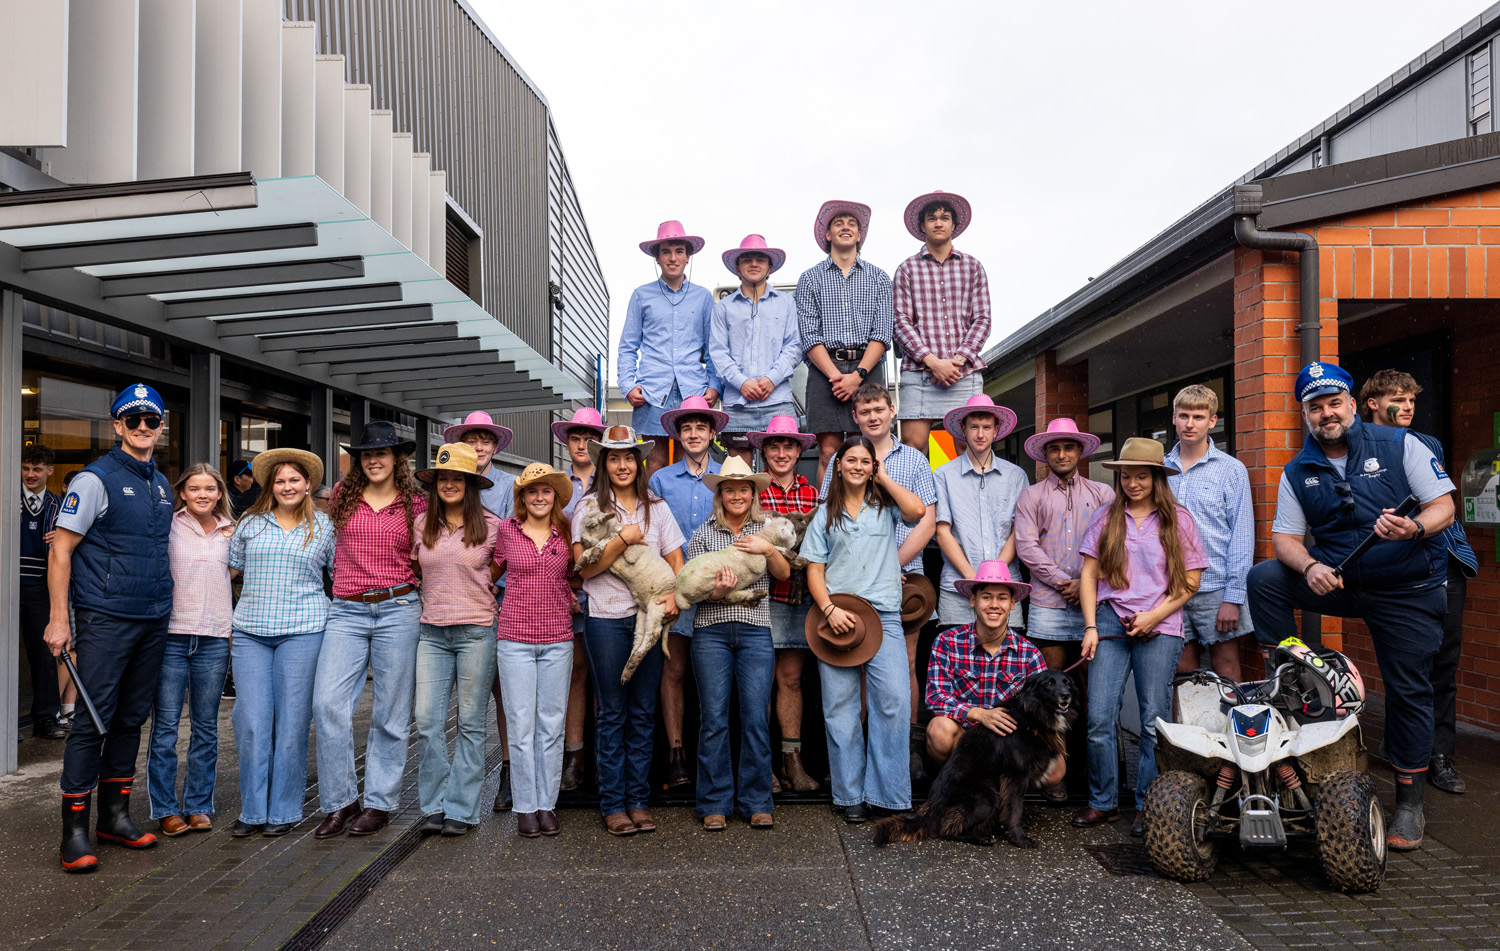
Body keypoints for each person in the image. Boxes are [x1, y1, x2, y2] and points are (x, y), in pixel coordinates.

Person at [1248, 363, 1455, 852]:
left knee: (1408, 688)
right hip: (1343, 580)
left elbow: (1443, 505)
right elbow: (1284, 538)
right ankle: (1292, 673)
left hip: (1407, 586)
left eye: (1333, 403)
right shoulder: (1298, 469)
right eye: (1315, 407)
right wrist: (1308, 568)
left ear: (1350, 405)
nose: (1326, 413)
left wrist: (1415, 528)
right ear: (1305, 414)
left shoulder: (1400, 444)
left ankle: (1409, 799)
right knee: (1266, 579)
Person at [47, 384, 175, 872]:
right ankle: (74, 833)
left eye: (152, 420)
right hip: (105, 618)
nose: (144, 427)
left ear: (160, 428)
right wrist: (60, 619)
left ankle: (114, 817)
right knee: (91, 722)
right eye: (133, 419)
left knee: (129, 718)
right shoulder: (94, 478)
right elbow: (61, 550)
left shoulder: (160, 483)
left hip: (152, 618)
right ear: (118, 426)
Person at [1076, 437, 1206, 838]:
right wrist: (1091, 627)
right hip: (1111, 621)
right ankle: (1103, 801)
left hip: (1161, 623)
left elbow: (1191, 582)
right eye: (1126, 476)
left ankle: (1147, 802)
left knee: (1152, 721)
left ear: (1156, 478)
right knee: (1099, 717)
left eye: (1141, 476)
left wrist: (1154, 616)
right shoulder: (1106, 517)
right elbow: (1087, 575)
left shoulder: (1178, 520)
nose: (1132, 483)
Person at [1361, 369, 1477, 795]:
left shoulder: (1428, 445)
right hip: (1395, 567)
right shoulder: (1357, 448)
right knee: (1406, 665)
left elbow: (1440, 505)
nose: (1407, 406)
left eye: (1411, 399)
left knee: (1444, 664)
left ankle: (1439, 756)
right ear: (1372, 403)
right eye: (1397, 398)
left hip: (1444, 559)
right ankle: (1401, 746)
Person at [802, 436, 928, 823]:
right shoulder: (824, 514)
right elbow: (814, 570)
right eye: (850, 460)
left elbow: (918, 510)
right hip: (837, 617)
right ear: (838, 465)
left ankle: (888, 795)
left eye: (865, 461)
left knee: (892, 702)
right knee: (840, 708)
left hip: (885, 614)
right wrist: (828, 609)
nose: (857, 466)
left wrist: (885, 479)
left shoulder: (885, 506)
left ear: (873, 466)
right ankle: (849, 794)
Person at [313, 421, 427, 840]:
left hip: (398, 608)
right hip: (346, 611)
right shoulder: (343, 495)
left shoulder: (416, 501)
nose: (374, 459)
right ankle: (341, 801)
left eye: (382, 452)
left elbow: (424, 556)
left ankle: (379, 801)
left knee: (391, 713)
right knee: (327, 705)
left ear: (397, 457)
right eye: (366, 453)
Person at [818, 382, 938, 778]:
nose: (872, 416)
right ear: (856, 416)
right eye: (864, 410)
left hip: (903, 581)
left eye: (879, 409)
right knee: (851, 673)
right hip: (851, 584)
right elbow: (826, 524)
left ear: (891, 412)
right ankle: (858, 765)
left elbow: (924, 517)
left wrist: (893, 564)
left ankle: (904, 752)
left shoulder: (914, 460)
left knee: (900, 668)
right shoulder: (843, 461)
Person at [572, 426, 685, 837]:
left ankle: (638, 800)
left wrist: (676, 599)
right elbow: (585, 568)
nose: (622, 465)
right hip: (605, 621)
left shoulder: (656, 507)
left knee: (643, 711)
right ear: (603, 464)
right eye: (614, 458)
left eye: (629, 458)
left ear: (639, 463)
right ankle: (613, 804)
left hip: (650, 618)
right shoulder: (588, 508)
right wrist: (622, 538)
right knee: (613, 712)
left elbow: (676, 560)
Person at [227, 450, 335, 837]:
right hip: (251, 632)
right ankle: (253, 811)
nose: (287, 487)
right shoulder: (249, 524)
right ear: (269, 486)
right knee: (252, 723)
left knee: (291, 726)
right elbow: (227, 571)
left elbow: (342, 576)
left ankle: (285, 810)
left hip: (304, 631)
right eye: (279, 481)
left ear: (308, 485)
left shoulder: (324, 527)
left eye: (294, 480)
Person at [685, 457, 790, 829]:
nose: (736, 494)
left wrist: (767, 549)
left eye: (743, 488)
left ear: (753, 493)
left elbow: (783, 574)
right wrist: (716, 592)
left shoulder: (765, 530)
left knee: (755, 718)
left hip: (755, 630)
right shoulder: (703, 534)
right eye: (729, 488)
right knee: (713, 719)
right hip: (711, 630)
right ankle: (714, 803)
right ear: (720, 494)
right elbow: (693, 589)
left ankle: (756, 801)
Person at [410, 443, 501, 838]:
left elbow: (500, 571)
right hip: (431, 633)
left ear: (470, 484)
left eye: (457, 479)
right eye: (443, 478)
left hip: (477, 632)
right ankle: (433, 805)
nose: (449, 484)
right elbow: (418, 568)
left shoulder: (492, 525)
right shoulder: (421, 525)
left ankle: (461, 809)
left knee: (470, 723)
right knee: (428, 721)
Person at [147, 464, 234, 837]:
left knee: (206, 727)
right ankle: (166, 808)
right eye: (194, 488)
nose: (202, 494)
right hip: (171, 636)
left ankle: (198, 805)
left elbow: (234, 571)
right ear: (182, 493)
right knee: (165, 727)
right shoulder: (168, 524)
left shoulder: (232, 530)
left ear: (219, 493)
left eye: (209, 489)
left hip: (215, 637)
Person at [492, 463, 578, 838]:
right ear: (522, 498)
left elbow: (577, 574)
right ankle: (526, 807)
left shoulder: (567, 532)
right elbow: (489, 572)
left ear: (555, 498)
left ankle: (548, 804)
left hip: (558, 637)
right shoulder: (506, 531)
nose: (539, 497)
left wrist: (571, 593)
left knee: (552, 723)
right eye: (532, 492)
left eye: (546, 491)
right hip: (514, 639)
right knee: (521, 723)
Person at [443, 410, 518, 813]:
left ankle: (507, 771)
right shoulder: (447, 484)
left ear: (495, 446)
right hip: (453, 604)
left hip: (501, 598)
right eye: (471, 439)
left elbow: (509, 539)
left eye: (485, 440)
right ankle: (455, 782)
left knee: (502, 691)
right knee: (463, 697)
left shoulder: (508, 485)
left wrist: (486, 577)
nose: (479, 447)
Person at [649, 395, 726, 788]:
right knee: (674, 669)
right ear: (677, 436)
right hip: (673, 587)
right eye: (687, 429)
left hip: (718, 589)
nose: (694, 434)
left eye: (700, 428)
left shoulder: (726, 476)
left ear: (713, 433)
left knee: (711, 676)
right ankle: (676, 752)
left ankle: (713, 759)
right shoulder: (660, 479)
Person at [924, 561, 1052, 783]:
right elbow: (936, 698)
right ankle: (953, 786)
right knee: (939, 731)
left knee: (1056, 770)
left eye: (1002, 598)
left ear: (1013, 603)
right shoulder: (947, 642)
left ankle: (1003, 789)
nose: (994, 605)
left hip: (1009, 743)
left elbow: (1043, 709)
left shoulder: (1029, 654)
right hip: (963, 740)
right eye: (986, 597)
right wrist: (979, 714)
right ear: (973, 600)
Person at [795, 200, 893, 485]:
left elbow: (882, 333)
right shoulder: (810, 279)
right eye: (838, 223)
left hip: (868, 367)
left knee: (866, 450)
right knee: (828, 452)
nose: (846, 227)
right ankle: (828, 518)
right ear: (827, 235)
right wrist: (838, 377)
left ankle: (867, 514)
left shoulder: (879, 278)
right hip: (826, 370)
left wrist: (858, 376)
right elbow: (809, 335)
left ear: (860, 235)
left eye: (852, 223)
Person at [750, 415, 822, 793]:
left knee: (791, 680)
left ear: (799, 451)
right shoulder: (754, 493)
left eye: (788, 446)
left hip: (799, 597)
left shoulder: (814, 494)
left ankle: (792, 761)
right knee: (759, 683)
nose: (781, 453)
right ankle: (763, 767)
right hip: (762, 595)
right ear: (764, 452)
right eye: (774, 446)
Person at [1165, 385, 1255, 683]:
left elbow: (1242, 537)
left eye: (1199, 417)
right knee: (1182, 671)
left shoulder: (1231, 470)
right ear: (1174, 418)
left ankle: (1234, 727)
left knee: (1226, 667)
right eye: (1184, 416)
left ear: (1213, 421)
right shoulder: (1159, 469)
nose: (1191, 424)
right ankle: (1190, 730)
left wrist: (1233, 597)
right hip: (1170, 587)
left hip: (1216, 588)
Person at [892, 190, 992, 453]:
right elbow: (901, 321)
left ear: (953, 225)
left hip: (964, 372)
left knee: (969, 449)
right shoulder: (907, 269)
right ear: (922, 225)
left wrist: (957, 361)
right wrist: (933, 362)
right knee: (912, 448)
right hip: (920, 372)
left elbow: (982, 319)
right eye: (932, 218)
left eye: (945, 218)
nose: (938, 223)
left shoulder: (973, 267)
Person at [618, 220, 720, 473]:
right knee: (655, 461)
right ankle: (656, 514)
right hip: (652, 390)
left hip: (693, 389)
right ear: (657, 258)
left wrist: (715, 385)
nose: (672, 258)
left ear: (688, 256)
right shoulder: (642, 295)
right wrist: (627, 385)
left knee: (693, 458)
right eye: (666, 251)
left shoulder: (703, 296)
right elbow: (628, 346)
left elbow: (714, 347)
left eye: (678, 251)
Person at [1013, 418, 1113, 670]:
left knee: (1091, 686)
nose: (1061, 455)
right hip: (1046, 604)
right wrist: (1064, 583)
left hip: (1093, 604)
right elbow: (1026, 546)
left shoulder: (1103, 493)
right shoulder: (1031, 495)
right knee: (1049, 684)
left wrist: (1086, 584)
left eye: (1069, 447)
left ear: (1080, 451)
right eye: (1054, 448)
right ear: (1045, 453)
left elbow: (1114, 547)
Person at [552, 406, 608, 791]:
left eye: (589, 438)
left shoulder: (612, 481)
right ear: (567, 443)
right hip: (567, 592)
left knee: (604, 674)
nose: (581, 444)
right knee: (574, 673)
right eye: (575, 437)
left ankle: (604, 758)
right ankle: (575, 757)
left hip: (606, 589)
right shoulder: (555, 485)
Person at [710, 235, 802, 461]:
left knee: (782, 467)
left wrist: (772, 378)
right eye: (747, 259)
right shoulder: (722, 308)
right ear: (737, 268)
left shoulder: (787, 302)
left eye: (760, 259)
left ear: (769, 267)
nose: (754, 264)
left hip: (778, 400)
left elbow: (794, 346)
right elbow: (718, 353)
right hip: (737, 404)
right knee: (738, 474)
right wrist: (741, 382)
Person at [20, 443, 65, 739]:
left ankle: (46, 718)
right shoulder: (6, 498)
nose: (30, 475)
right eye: (25, 469)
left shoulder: (58, 506)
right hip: (6, 588)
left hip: (39, 589)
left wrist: (61, 538)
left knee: (44, 655)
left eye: (37, 469)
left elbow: (73, 548)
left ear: (50, 470)